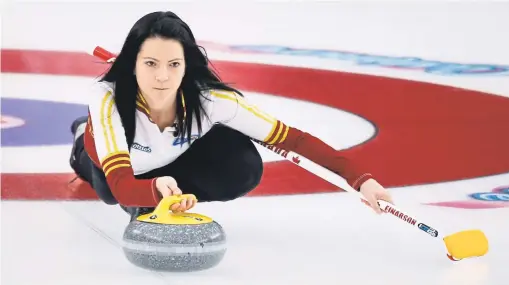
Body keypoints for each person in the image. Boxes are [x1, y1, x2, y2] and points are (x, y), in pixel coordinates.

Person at [69, 11, 393, 221]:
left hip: (172, 158)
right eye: (150, 64)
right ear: (133, 64)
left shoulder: (213, 101)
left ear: (187, 66)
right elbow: (124, 184)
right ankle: (80, 142)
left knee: (242, 168)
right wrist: (150, 190)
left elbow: (293, 140)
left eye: (174, 65)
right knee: (111, 194)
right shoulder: (107, 99)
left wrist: (361, 179)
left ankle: (165, 192)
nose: (163, 78)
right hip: (119, 166)